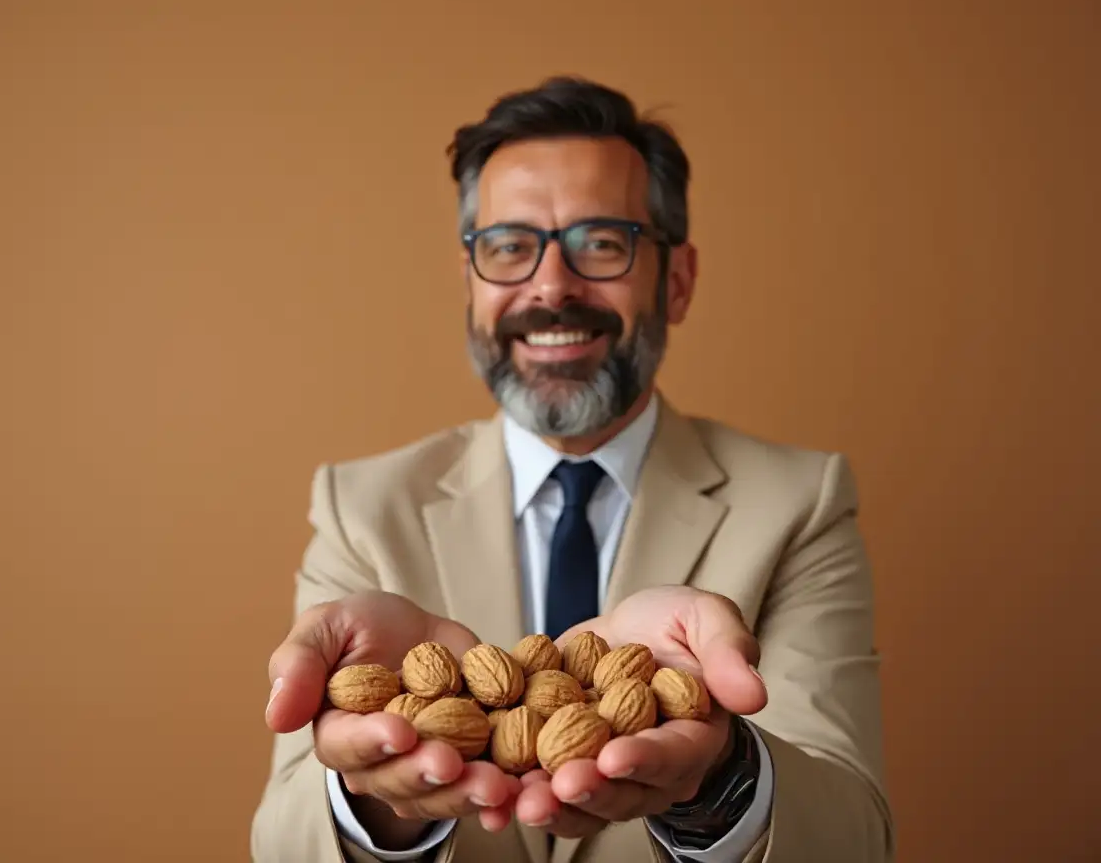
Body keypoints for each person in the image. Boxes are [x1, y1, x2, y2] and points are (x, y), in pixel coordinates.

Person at [251, 76, 894, 863]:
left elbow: (855, 839)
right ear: (471, 284)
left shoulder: (798, 502)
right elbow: (283, 841)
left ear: (678, 279)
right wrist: (380, 800)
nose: (550, 287)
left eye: (601, 242)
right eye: (510, 248)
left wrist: (720, 776)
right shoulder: (362, 505)